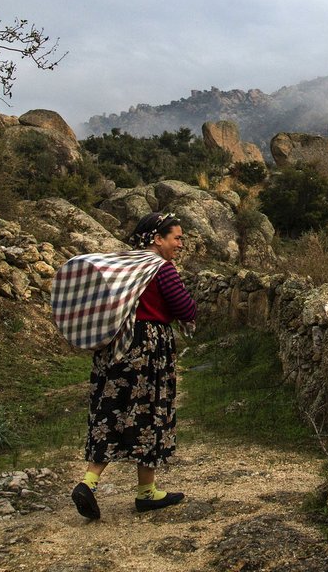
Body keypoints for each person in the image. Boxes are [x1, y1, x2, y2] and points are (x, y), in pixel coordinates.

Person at [70, 212, 198, 519]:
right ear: (158, 239)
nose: (180, 244)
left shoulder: (124, 263)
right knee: (150, 412)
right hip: (148, 347)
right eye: (176, 238)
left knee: (112, 409)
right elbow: (185, 308)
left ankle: (89, 482)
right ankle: (146, 492)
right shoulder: (161, 269)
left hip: (115, 345)